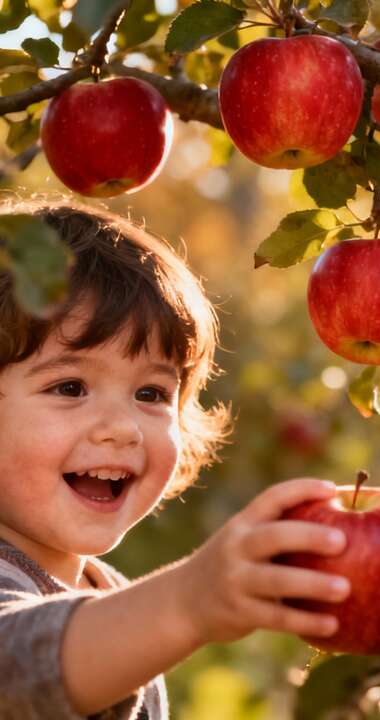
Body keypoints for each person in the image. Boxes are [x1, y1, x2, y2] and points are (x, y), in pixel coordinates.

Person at [0, 201, 352, 719]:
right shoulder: (134, 615)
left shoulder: (113, 595)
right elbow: (15, 664)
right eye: (70, 387)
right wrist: (187, 601)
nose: (122, 428)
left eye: (151, 394)